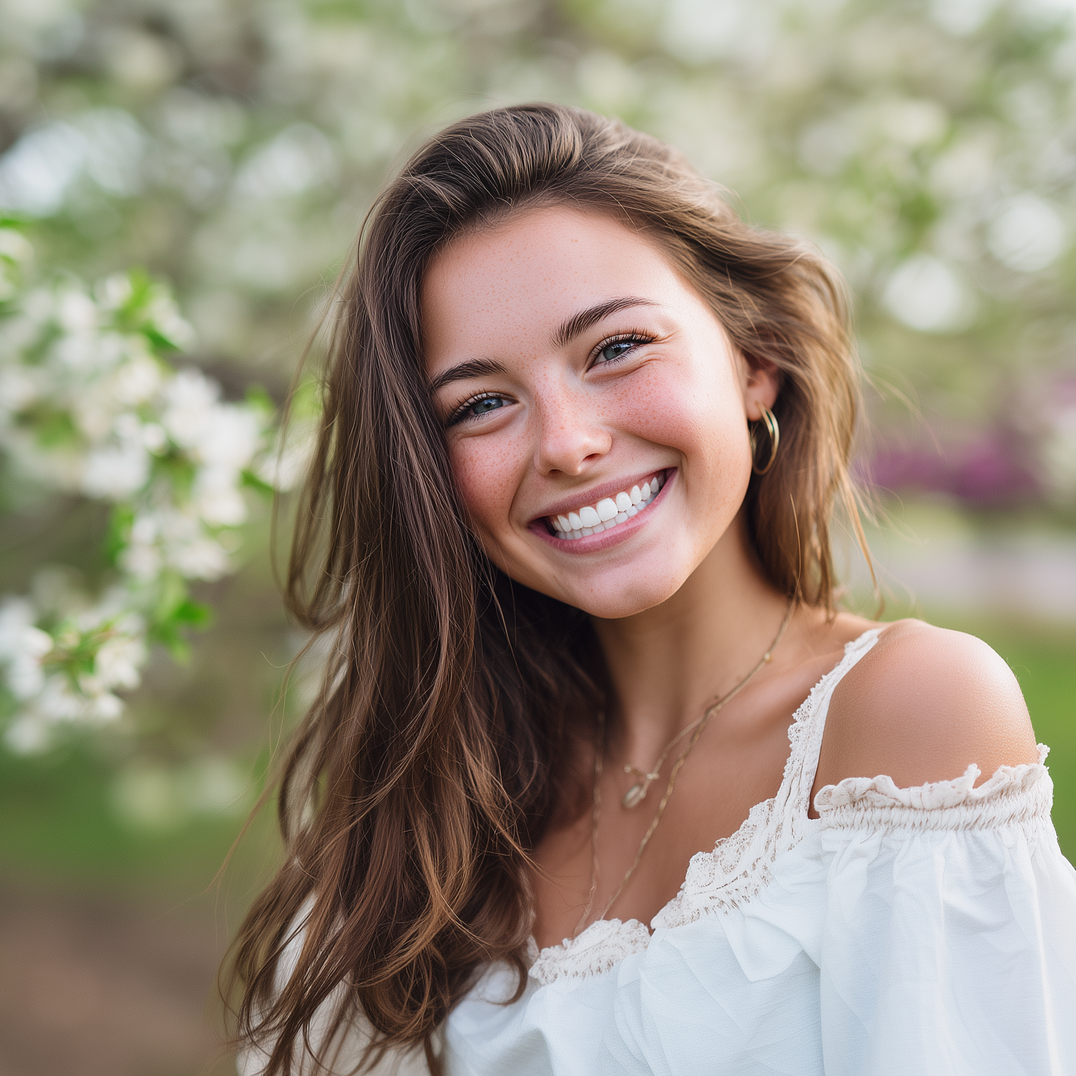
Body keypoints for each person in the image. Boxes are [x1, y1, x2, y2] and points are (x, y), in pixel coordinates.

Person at [228, 104, 1076, 1076]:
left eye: (616, 347)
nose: (565, 441)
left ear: (753, 361)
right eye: (480, 403)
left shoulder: (907, 715)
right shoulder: (430, 785)